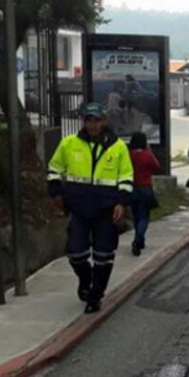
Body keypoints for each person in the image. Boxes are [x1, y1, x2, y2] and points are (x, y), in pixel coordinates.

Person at [48, 103, 134, 313]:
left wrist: (122, 203)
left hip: (106, 211)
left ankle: (95, 295)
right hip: (79, 209)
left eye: (96, 120)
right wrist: (56, 193)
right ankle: (86, 279)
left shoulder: (118, 147)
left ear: (104, 121)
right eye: (88, 120)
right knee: (76, 254)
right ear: (83, 122)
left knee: (104, 256)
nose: (92, 125)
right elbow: (54, 169)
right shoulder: (69, 143)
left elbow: (126, 177)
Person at [128, 132, 161, 257]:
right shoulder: (147, 155)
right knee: (144, 217)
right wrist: (150, 151)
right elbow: (157, 167)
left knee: (136, 216)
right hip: (145, 188)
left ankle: (140, 240)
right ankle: (138, 239)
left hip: (131, 188)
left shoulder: (129, 155)